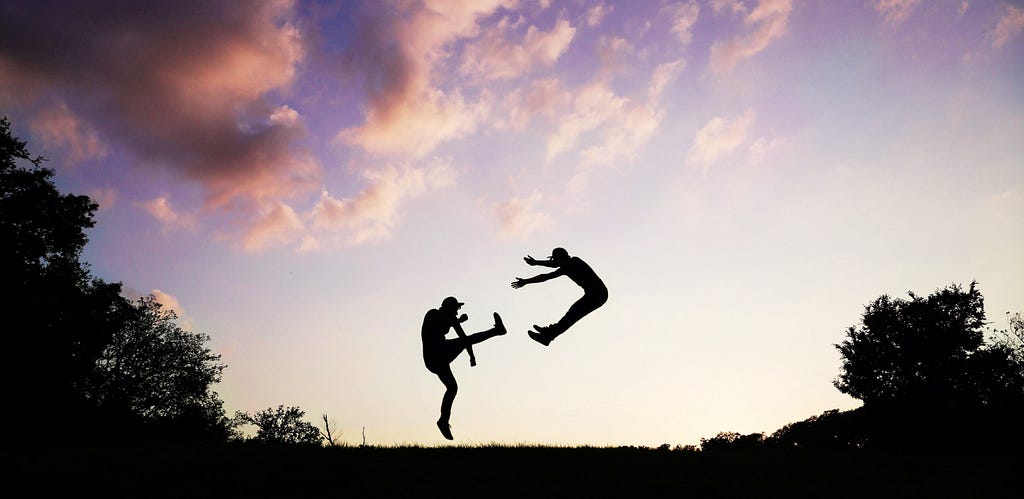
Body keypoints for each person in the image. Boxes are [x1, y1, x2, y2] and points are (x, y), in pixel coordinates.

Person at [421, 296, 506, 440]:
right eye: (456, 308)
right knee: (466, 340)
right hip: (435, 354)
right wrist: (457, 321)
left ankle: (443, 421)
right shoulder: (433, 314)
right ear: (448, 307)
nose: (457, 311)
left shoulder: (450, 319)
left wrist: (472, 356)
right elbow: (441, 326)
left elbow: (463, 337)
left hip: (438, 358)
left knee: (452, 387)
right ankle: (496, 331)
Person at [511, 247, 608, 346]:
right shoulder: (567, 266)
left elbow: (549, 271)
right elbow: (548, 273)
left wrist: (534, 266)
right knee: (573, 313)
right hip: (596, 294)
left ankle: (548, 335)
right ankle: (549, 333)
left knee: (573, 314)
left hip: (598, 294)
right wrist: (532, 270)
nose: (555, 261)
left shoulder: (574, 261)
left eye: (555, 258)